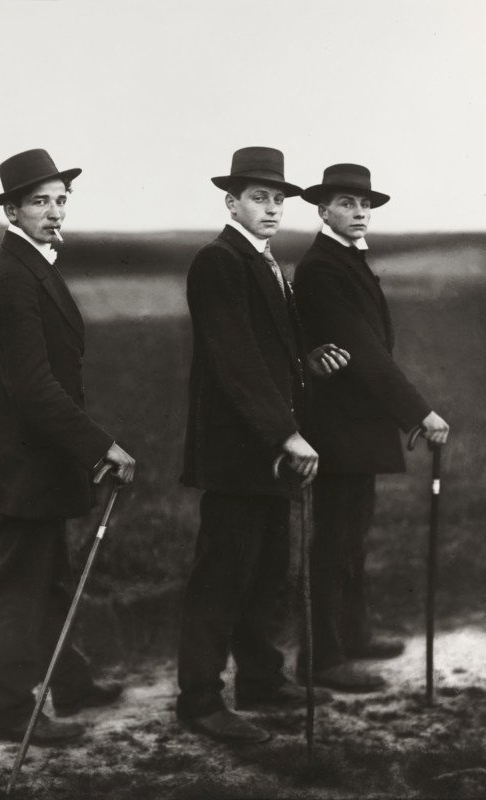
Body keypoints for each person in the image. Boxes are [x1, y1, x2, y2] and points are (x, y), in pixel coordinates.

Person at [177, 147, 350, 744]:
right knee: (221, 574)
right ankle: (199, 700)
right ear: (232, 202)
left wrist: (308, 361)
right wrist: (286, 432)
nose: (272, 207)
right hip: (237, 452)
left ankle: (260, 679)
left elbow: (271, 353)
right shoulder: (218, 261)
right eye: (259, 197)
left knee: (268, 569)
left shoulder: (267, 262)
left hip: (269, 451)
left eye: (278, 198)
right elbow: (236, 360)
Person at [0, 148, 136, 745]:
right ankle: (11, 716)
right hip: (24, 463)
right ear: (12, 209)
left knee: (52, 578)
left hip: (40, 460)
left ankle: (70, 683)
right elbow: (32, 385)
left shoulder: (32, 263)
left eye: (61, 199)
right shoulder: (12, 275)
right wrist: (100, 447)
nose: (54, 211)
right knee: (17, 588)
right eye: (40, 201)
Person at [293, 163, 449, 692]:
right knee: (334, 540)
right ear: (323, 210)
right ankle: (322, 657)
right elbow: (361, 350)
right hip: (338, 427)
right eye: (346, 203)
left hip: (358, 425)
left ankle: (353, 635)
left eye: (365, 205)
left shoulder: (345, 260)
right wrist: (418, 412)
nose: (359, 212)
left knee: (352, 537)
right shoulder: (322, 268)